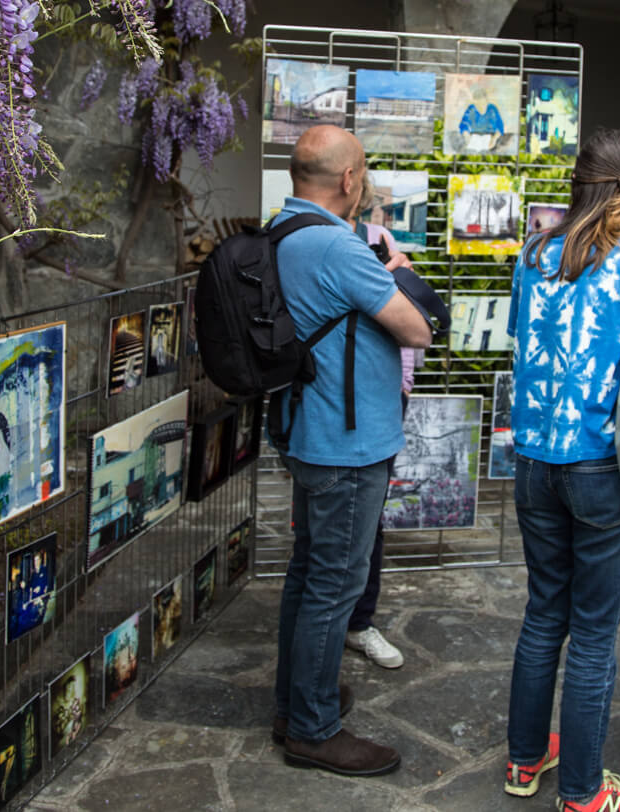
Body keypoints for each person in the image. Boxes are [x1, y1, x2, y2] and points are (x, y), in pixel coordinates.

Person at [504, 129, 620, 812]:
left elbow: (522, 338)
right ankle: (580, 793)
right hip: (601, 463)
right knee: (595, 632)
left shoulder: (534, 252)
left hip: (535, 459)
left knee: (544, 613)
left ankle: (524, 760)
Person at [270, 125, 433, 778]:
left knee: (308, 575)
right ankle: (312, 728)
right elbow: (417, 327)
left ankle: (295, 701)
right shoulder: (340, 248)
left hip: (308, 431)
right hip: (348, 443)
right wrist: (405, 278)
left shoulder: (279, 232)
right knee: (335, 587)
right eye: (362, 171)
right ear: (348, 179)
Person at [343, 174, 416, 671]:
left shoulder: (382, 242)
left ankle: (359, 622)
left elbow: (410, 323)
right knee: (328, 514)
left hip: (384, 394)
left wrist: (403, 386)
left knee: (372, 515)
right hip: (331, 396)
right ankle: (330, 619)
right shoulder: (306, 241)